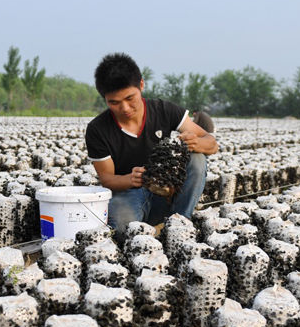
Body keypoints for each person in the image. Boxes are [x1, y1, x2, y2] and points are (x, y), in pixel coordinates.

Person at [85, 53, 218, 237]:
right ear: (104, 98)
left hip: (166, 193)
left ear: (141, 85)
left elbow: (211, 143)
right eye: (114, 103)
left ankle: (180, 224)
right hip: (129, 193)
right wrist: (129, 179)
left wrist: (197, 142)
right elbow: (107, 178)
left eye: (130, 98)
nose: (124, 108)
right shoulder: (97, 129)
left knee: (197, 157)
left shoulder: (164, 110)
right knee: (122, 230)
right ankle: (152, 228)